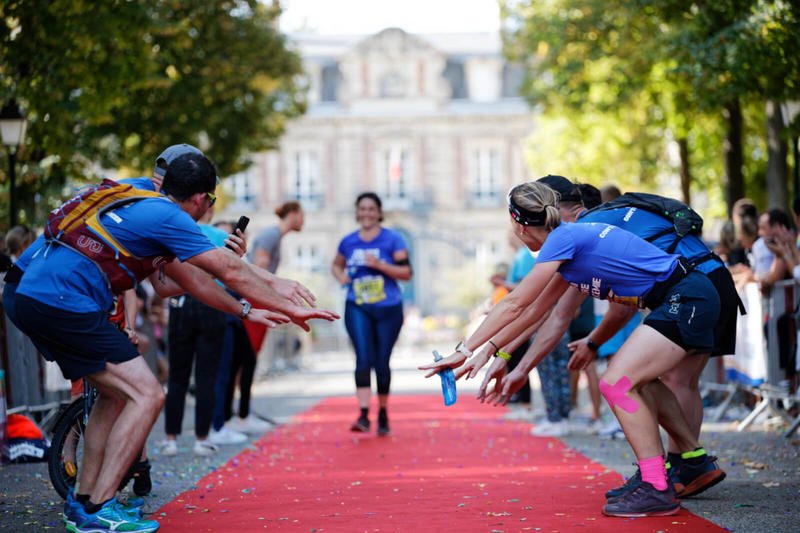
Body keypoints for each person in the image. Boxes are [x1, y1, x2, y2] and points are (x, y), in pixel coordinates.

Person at [12, 152, 338, 533]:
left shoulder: (137, 197)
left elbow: (188, 281)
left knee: (115, 396)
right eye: (212, 201)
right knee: (147, 394)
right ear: (202, 198)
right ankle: (97, 509)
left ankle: (84, 501)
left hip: (38, 294)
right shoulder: (169, 217)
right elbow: (226, 268)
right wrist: (287, 305)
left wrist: (249, 308)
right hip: (63, 301)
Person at [422, 180, 722, 517]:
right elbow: (536, 312)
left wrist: (463, 350)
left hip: (687, 296)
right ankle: (690, 464)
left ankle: (656, 485)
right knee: (639, 381)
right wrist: (492, 353)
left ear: (518, 225)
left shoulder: (563, 239)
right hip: (684, 295)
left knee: (617, 382)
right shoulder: (566, 242)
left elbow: (516, 303)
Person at [331, 192, 411, 436]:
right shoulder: (348, 241)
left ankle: (384, 412)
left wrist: (380, 266)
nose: (366, 213)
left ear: (379, 213)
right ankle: (364, 414)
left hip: (388, 307)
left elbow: (407, 272)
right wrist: (340, 276)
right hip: (358, 305)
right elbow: (336, 264)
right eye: (362, 208)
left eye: (371, 209)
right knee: (363, 358)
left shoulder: (393, 239)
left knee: (382, 361)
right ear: (357, 212)